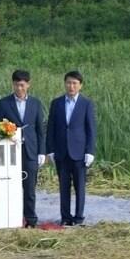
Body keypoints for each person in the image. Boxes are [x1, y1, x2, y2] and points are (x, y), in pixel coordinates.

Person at [0, 69, 46, 228]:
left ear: (28, 85)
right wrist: (8, 132)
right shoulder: (4, 103)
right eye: (16, 85)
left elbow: (40, 129)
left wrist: (41, 152)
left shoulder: (35, 103)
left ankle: (30, 219)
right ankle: (9, 218)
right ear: (13, 84)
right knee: (8, 186)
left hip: (30, 150)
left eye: (22, 85)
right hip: (10, 152)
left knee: (29, 188)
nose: (19, 88)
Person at [47, 70, 96, 226]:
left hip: (79, 152)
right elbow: (51, 128)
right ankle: (65, 217)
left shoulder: (86, 104)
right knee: (64, 187)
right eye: (68, 82)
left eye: (74, 83)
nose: (71, 86)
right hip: (61, 152)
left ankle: (79, 217)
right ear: (65, 84)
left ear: (80, 85)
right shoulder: (57, 103)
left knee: (80, 187)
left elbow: (91, 129)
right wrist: (50, 150)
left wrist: (90, 151)